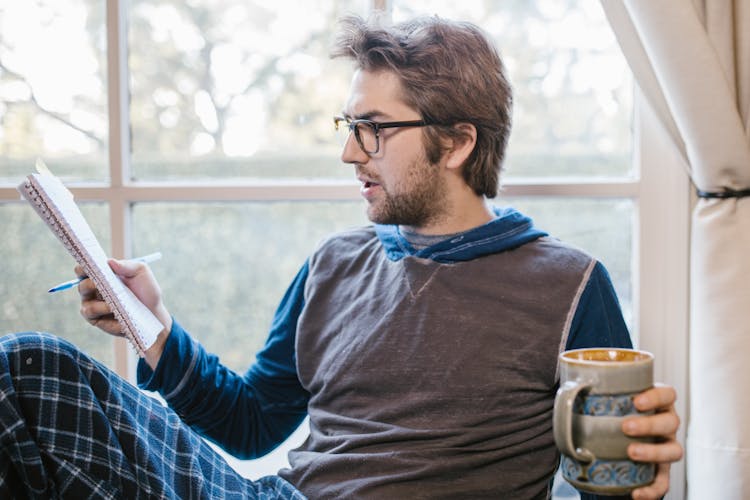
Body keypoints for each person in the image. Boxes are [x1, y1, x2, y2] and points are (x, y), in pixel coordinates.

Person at [0, 14, 682, 499]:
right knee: (26, 375)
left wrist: (640, 461)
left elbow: (610, 464)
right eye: (349, 126)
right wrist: (155, 329)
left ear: (458, 143)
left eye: (374, 130)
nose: (349, 152)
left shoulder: (567, 285)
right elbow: (251, 423)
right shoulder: (335, 263)